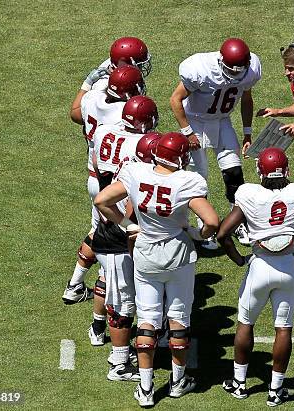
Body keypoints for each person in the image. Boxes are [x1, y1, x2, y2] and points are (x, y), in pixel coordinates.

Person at [95, 133, 219, 407]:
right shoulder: (188, 181)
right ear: (181, 157)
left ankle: (146, 387)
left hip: (146, 253)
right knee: (178, 317)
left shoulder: (136, 172)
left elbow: (101, 201)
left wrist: (127, 224)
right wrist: (197, 234)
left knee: (148, 318)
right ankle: (177, 382)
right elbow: (211, 220)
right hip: (178, 253)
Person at [217, 147, 294, 406]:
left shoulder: (248, 193)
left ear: (260, 171)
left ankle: (239, 383)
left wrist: (238, 259)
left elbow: (223, 234)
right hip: (288, 267)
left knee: (246, 322)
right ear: (288, 170)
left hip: (260, 266)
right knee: (283, 328)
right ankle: (276, 389)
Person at [62, 66, 147, 306]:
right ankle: (107, 293)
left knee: (99, 229)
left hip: (98, 174)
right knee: (119, 234)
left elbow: (76, 114)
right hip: (117, 182)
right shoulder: (125, 113)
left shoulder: (92, 98)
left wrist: (88, 81)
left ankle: (75, 285)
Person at [170, 38, 261, 249]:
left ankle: (237, 223)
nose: (236, 75)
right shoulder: (199, 68)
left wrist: (247, 133)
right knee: (198, 179)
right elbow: (175, 100)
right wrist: (187, 131)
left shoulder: (250, 69)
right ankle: (205, 227)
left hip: (222, 120)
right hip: (195, 121)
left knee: (234, 173)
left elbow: (246, 99)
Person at [87, 95, 158, 347]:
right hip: (121, 214)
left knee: (107, 275)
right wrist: (129, 225)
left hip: (104, 192)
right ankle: (118, 361)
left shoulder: (105, 130)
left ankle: (97, 325)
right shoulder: (140, 149)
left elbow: (96, 163)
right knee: (122, 298)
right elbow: (134, 192)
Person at [92, 132, 161, 381]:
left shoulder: (132, 164)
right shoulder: (140, 175)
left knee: (124, 300)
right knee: (122, 306)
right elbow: (132, 212)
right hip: (116, 244)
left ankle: (121, 352)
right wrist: (131, 227)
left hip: (112, 238)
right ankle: (119, 364)